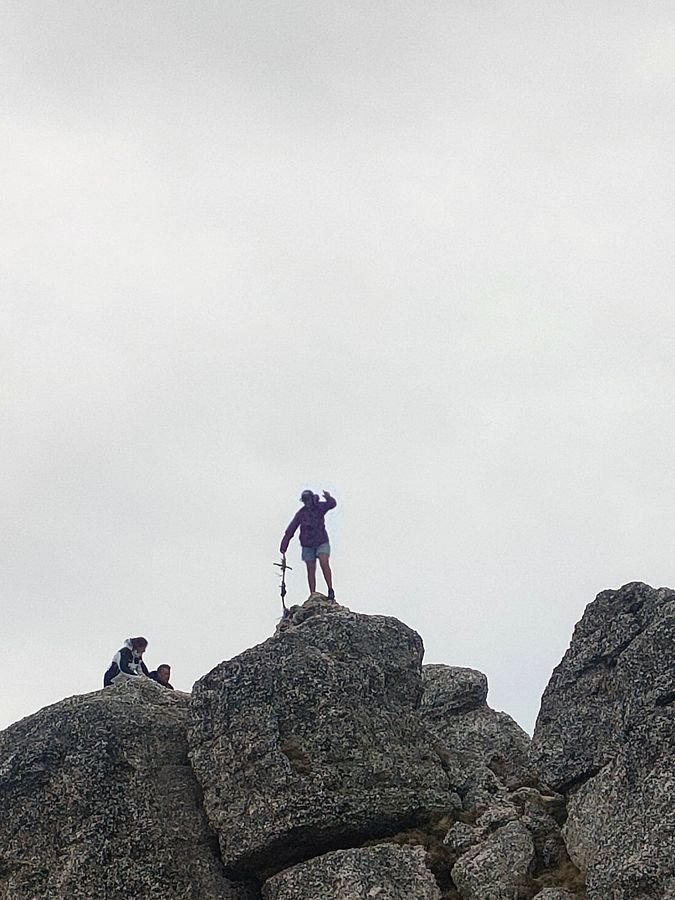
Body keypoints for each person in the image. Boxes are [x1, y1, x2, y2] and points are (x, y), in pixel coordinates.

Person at [280, 489, 337, 599]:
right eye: (305, 501)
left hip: (321, 541)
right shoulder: (301, 513)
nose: (307, 502)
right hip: (307, 545)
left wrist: (328, 497)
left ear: (312, 498)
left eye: (308, 500)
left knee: (324, 562)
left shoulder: (319, 507)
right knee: (311, 569)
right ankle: (313, 594)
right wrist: (284, 545)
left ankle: (330, 589)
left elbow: (332, 504)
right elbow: (291, 528)